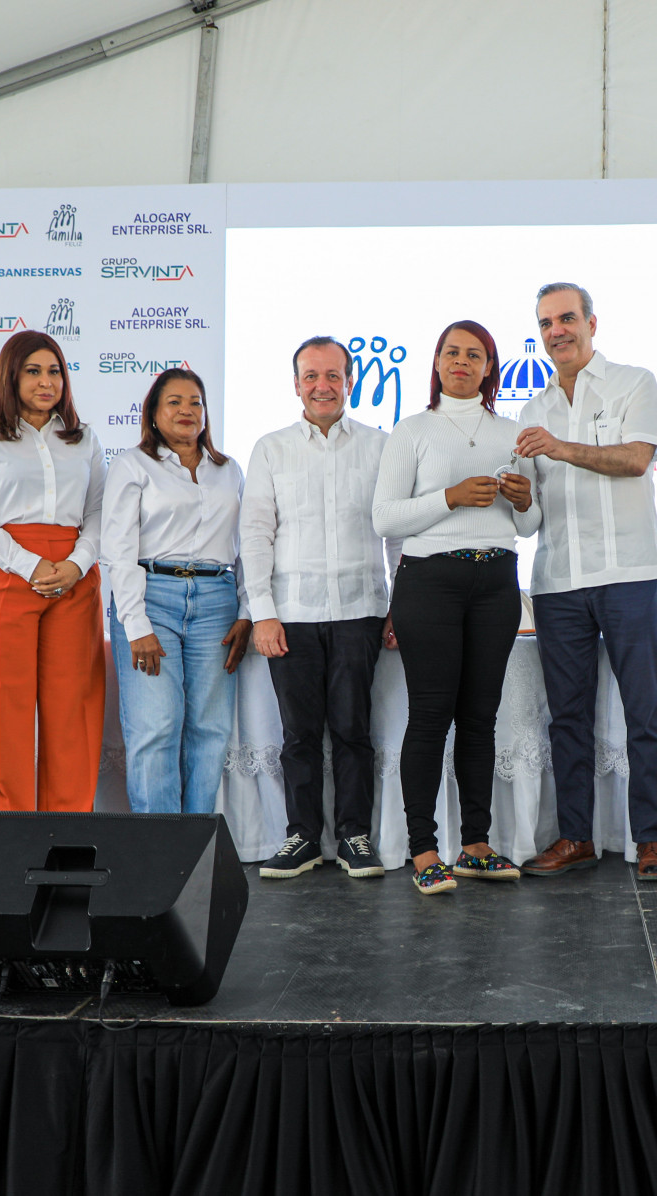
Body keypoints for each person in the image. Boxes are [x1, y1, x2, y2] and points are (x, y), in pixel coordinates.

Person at [513, 283, 657, 883]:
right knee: (567, 718)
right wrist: (518, 497)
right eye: (545, 323)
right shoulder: (532, 410)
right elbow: (530, 521)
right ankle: (576, 837)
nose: (556, 331)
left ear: (591, 323)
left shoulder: (633, 383)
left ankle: (651, 841)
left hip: (630, 573)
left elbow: (634, 459)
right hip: (557, 580)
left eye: (566, 318)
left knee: (645, 713)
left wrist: (560, 449)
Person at [372, 320, 540, 894]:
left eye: (474, 354)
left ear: (490, 368)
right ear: (438, 362)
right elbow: (384, 518)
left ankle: (475, 846)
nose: (461, 362)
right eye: (451, 352)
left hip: (496, 582)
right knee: (430, 715)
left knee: (479, 718)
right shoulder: (412, 430)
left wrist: (524, 500)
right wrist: (450, 497)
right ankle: (423, 850)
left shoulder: (513, 435)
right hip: (430, 582)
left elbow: (529, 525)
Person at [243, 337, 397, 881]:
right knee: (299, 735)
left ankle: (355, 836)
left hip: (360, 610)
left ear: (350, 382)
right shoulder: (271, 449)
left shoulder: (380, 446)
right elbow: (255, 533)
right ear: (296, 384)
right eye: (311, 376)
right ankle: (303, 838)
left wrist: (399, 604)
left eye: (333, 375)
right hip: (291, 615)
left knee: (354, 731)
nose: (322, 386)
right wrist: (262, 611)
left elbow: (396, 533)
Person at [0, 329, 106, 813]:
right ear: (10, 375)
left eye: (55, 371)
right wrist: (29, 563)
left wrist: (77, 563)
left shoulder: (83, 437)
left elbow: (100, 513)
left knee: (73, 708)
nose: (46, 382)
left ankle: (69, 829)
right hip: (4, 572)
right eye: (33, 371)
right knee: (2, 709)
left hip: (73, 576)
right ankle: (4, 833)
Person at [103, 367, 252, 815]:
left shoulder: (228, 470)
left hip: (217, 601)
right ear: (153, 412)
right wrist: (136, 624)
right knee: (155, 726)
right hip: (152, 598)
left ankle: (196, 841)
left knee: (210, 729)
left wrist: (246, 610)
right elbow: (118, 551)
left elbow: (248, 545)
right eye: (175, 402)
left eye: (196, 402)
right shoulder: (133, 465)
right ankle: (159, 844)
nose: (187, 410)